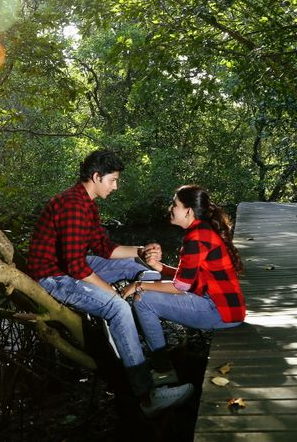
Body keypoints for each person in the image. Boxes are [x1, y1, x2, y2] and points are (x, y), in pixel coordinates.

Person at [25, 150, 195, 415]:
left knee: (137, 266)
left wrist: (141, 251)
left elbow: (104, 247)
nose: (116, 186)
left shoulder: (87, 203)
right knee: (118, 308)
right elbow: (76, 268)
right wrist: (112, 294)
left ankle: (161, 362)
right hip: (54, 277)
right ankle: (148, 395)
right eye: (113, 180)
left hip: (74, 265)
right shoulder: (71, 205)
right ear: (96, 177)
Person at [132, 185, 246, 380]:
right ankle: (165, 358)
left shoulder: (196, 239)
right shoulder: (202, 231)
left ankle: (162, 369)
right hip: (227, 309)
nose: (170, 208)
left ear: (188, 211)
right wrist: (158, 267)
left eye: (174, 204)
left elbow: (179, 286)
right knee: (148, 277)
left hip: (219, 311)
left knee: (142, 299)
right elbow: (189, 279)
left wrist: (137, 286)